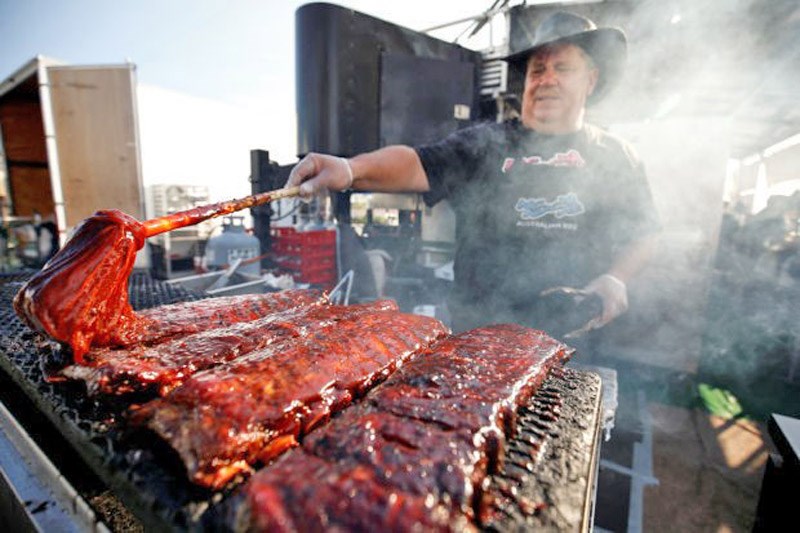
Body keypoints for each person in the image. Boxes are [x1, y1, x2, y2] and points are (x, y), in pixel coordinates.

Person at [285, 11, 661, 337]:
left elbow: (643, 232)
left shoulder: (615, 156)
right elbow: (417, 163)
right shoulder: (487, 142)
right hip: (476, 335)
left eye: (563, 68)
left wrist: (616, 278)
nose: (547, 79)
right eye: (538, 70)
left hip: (572, 337)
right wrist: (350, 169)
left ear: (590, 80)